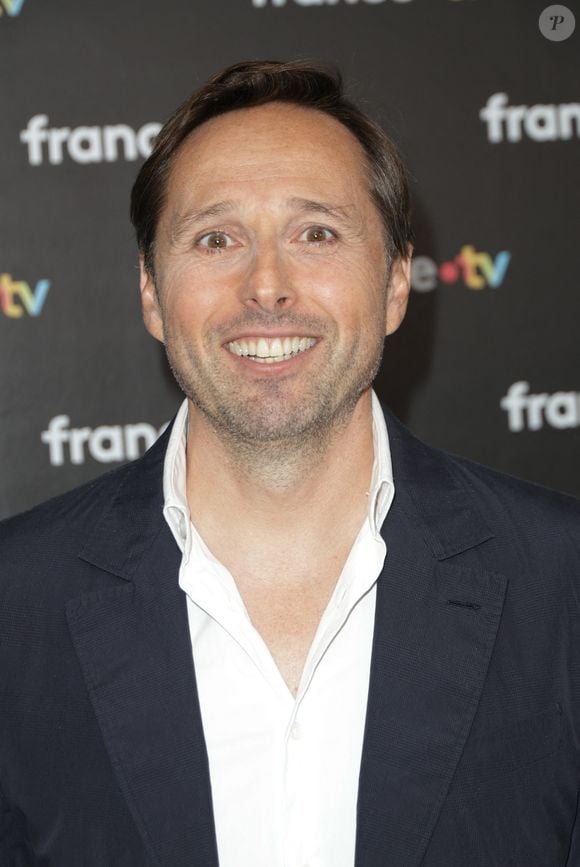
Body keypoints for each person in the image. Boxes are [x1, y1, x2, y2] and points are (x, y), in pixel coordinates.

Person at [0, 59, 579, 867]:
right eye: (216, 238)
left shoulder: (561, 585)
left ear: (395, 285)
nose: (266, 285)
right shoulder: (16, 602)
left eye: (317, 233)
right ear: (150, 294)